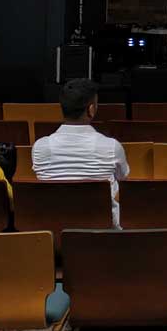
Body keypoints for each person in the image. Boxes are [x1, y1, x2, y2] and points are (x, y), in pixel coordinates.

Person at [32, 78, 129, 227]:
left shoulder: (40, 147)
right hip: (104, 235)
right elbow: (124, 181)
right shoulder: (112, 147)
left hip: (54, 232)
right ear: (91, 110)